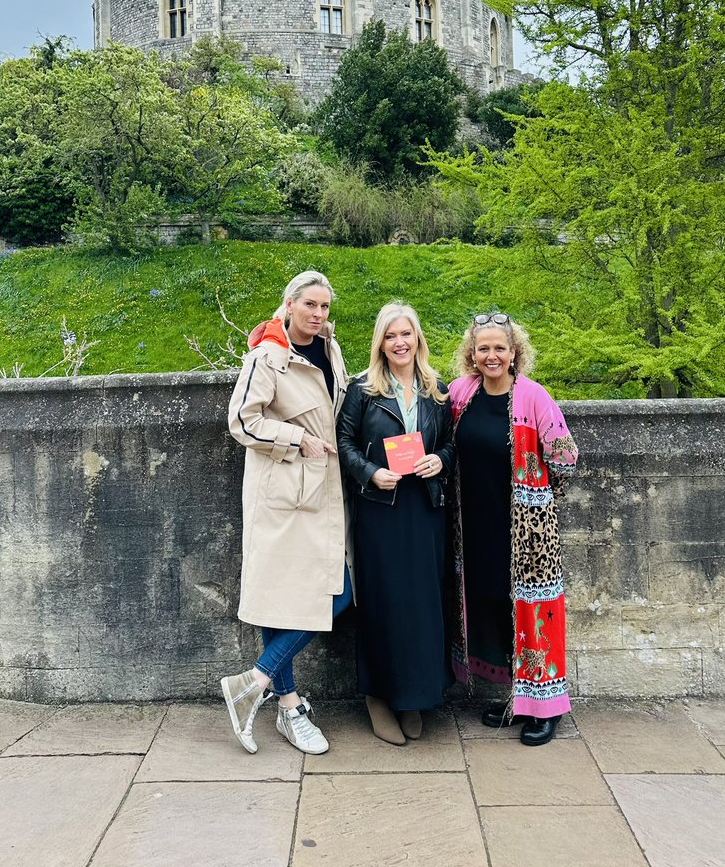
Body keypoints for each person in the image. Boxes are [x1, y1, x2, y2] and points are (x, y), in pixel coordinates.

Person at [222, 270, 350, 755]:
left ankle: (253, 683)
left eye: (324, 308)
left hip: (319, 490)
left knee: (335, 591)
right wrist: (298, 439)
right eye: (310, 306)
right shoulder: (267, 357)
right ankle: (290, 706)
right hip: (282, 494)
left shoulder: (329, 348)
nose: (318, 315)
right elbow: (241, 422)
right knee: (289, 597)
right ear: (290, 304)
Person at [448, 313, 578, 747]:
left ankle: (547, 707)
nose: (491, 355)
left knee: (536, 612)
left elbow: (564, 458)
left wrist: (536, 495)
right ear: (472, 354)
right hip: (477, 524)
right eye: (483, 348)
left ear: (514, 352)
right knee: (496, 607)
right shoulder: (462, 394)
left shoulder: (534, 397)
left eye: (499, 348)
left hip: (526, 529)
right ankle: (518, 698)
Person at [337, 302, 454, 745]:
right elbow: (343, 442)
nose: (399, 343)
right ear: (380, 343)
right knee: (384, 600)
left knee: (422, 602)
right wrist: (369, 471)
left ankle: (413, 697)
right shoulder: (363, 389)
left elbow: (450, 446)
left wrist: (437, 461)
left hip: (423, 507)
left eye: (406, 334)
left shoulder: (435, 389)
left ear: (417, 339)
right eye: (391, 336)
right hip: (379, 508)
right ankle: (379, 697)